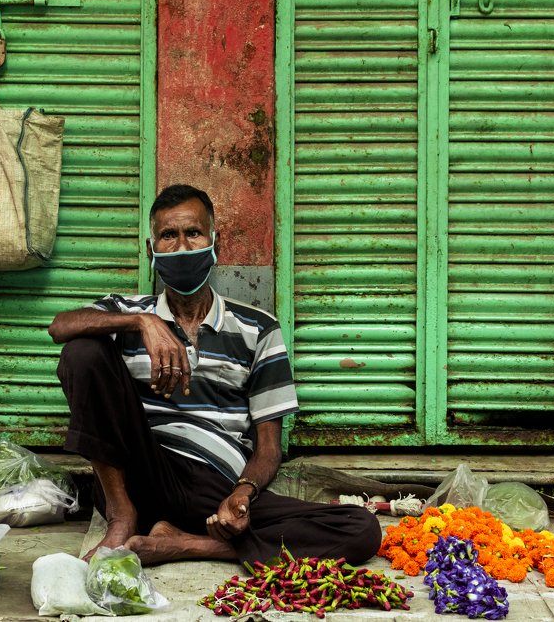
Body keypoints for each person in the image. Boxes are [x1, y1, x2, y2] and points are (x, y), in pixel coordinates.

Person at [49, 184, 380, 566]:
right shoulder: (126, 312)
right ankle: (124, 518)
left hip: (215, 486)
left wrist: (242, 492)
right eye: (168, 236)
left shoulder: (259, 328)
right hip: (141, 474)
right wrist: (143, 321)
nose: (183, 246)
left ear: (215, 243)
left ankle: (186, 543)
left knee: (361, 529)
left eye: (193, 233)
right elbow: (61, 325)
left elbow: (269, 447)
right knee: (83, 349)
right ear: (150, 249)